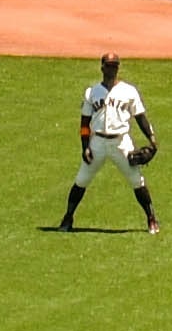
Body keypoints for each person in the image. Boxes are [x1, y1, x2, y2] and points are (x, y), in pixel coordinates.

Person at [57, 57, 158, 232]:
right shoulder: (92, 92)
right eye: (109, 66)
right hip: (98, 143)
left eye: (114, 66)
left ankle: (151, 218)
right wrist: (85, 147)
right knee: (81, 180)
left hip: (121, 142)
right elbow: (84, 124)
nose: (112, 69)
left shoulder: (129, 91)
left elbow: (140, 117)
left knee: (137, 181)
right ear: (102, 68)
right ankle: (68, 218)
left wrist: (152, 138)